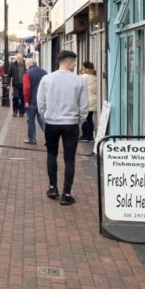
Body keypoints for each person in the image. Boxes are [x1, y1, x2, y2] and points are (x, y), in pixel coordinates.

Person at [37, 50, 88, 206]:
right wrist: (80, 120)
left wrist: (47, 115)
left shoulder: (47, 79)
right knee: (69, 159)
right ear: (69, 62)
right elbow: (84, 106)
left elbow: (41, 103)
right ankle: (66, 194)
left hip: (52, 123)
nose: (74, 65)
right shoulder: (79, 81)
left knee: (51, 154)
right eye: (74, 62)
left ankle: (53, 188)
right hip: (70, 123)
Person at [22, 59, 47, 145]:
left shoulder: (27, 74)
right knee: (42, 120)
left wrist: (26, 101)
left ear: (29, 65)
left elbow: (26, 89)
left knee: (31, 120)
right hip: (42, 101)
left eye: (26, 65)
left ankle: (32, 139)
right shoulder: (44, 72)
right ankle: (49, 138)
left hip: (31, 101)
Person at [79, 61, 98, 142]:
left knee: (85, 119)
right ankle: (90, 136)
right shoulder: (95, 77)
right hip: (94, 101)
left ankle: (86, 135)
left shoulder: (83, 77)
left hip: (86, 101)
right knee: (89, 118)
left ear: (84, 68)